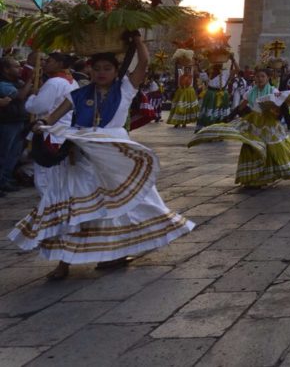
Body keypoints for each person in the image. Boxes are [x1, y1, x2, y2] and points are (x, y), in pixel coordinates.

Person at [12, 34, 195, 280]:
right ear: (89, 69)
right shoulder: (77, 94)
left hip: (114, 153)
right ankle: (63, 262)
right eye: (96, 68)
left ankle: (114, 252)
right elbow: (53, 116)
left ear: (115, 70)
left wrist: (139, 42)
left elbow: (143, 65)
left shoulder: (126, 88)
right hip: (82, 153)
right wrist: (42, 123)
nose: (101, 73)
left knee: (121, 205)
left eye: (107, 68)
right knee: (73, 205)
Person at [189, 69, 290, 185]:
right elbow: (241, 106)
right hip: (254, 123)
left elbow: (282, 106)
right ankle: (254, 176)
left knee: (272, 148)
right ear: (254, 78)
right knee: (252, 147)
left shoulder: (273, 90)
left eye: (262, 76)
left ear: (268, 78)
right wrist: (229, 117)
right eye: (257, 76)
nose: (260, 79)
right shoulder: (250, 92)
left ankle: (271, 173)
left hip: (269, 123)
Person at [0, 57, 32, 194]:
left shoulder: (17, 82)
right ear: (6, 69)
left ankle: (6, 179)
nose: (19, 69)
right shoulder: (3, 84)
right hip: (7, 122)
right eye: (15, 66)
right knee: (4, 154)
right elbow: (20, 95)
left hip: (18, 120)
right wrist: (31, 80)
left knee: (14, 154)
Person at [197, 62, 232, 128]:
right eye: (218, 64)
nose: (219, 65)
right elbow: (200, 74)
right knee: (209, 113)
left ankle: (219, 129)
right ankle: (208, 128)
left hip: (222, 96)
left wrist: (233, 60)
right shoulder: (209, 73)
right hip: (211, 96)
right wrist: (197, 65)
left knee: (220, 114)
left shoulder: (225, 73)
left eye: (220, 64)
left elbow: (237, 70)